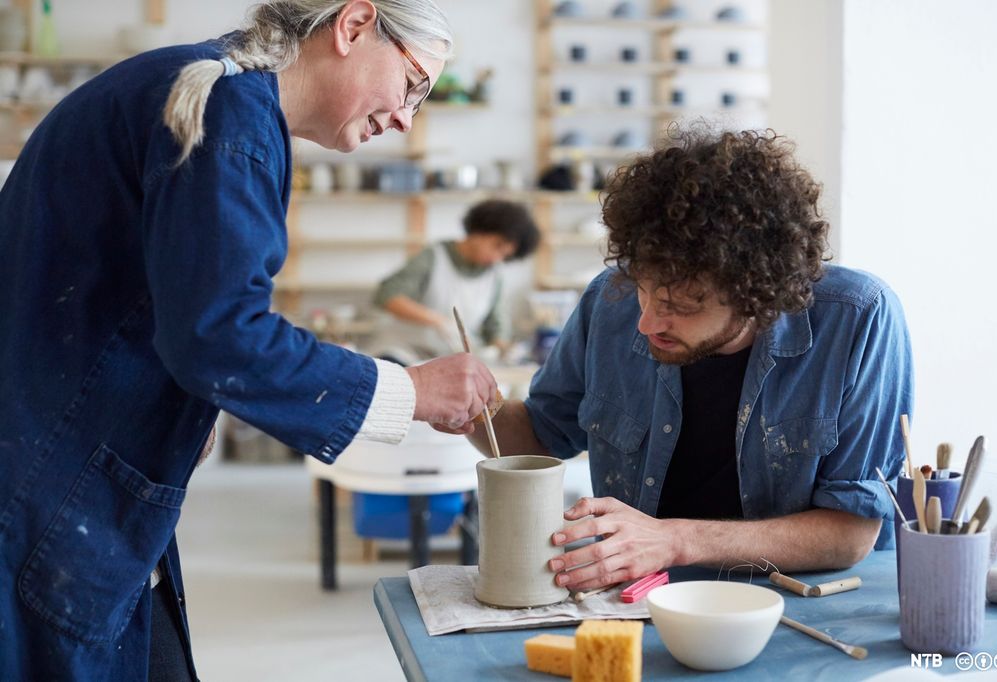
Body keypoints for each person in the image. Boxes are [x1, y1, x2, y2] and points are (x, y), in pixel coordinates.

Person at [0, 2, 498, 680]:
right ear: (353, 26)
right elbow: (220, 336)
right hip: (53, 491)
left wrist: (181, 408)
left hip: (61, 466)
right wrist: (407, 389)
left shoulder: (195, 83)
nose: (407, 118)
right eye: (414, 85)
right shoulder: (225, 106)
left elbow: (165, 303)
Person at [463, 127, 914, 592]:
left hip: (806, 602)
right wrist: (473, 407)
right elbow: (542, 436)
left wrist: (673, 540)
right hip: (645, 597)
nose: (646, 323)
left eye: (682, 306)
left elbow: (849, 534)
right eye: (643, 288)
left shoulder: (858, 318)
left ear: (756, 293)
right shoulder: (609, 302)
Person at [370, 198, 540, 362]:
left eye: (504, 255)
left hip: (449, 359)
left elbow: (495, 326)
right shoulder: (433, 257)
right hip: (406, 352)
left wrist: (503, 349)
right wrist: (437, 320)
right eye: (497, 246)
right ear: (479, 230)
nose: (497, 257)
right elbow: (387, 296)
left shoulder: (494, 276)